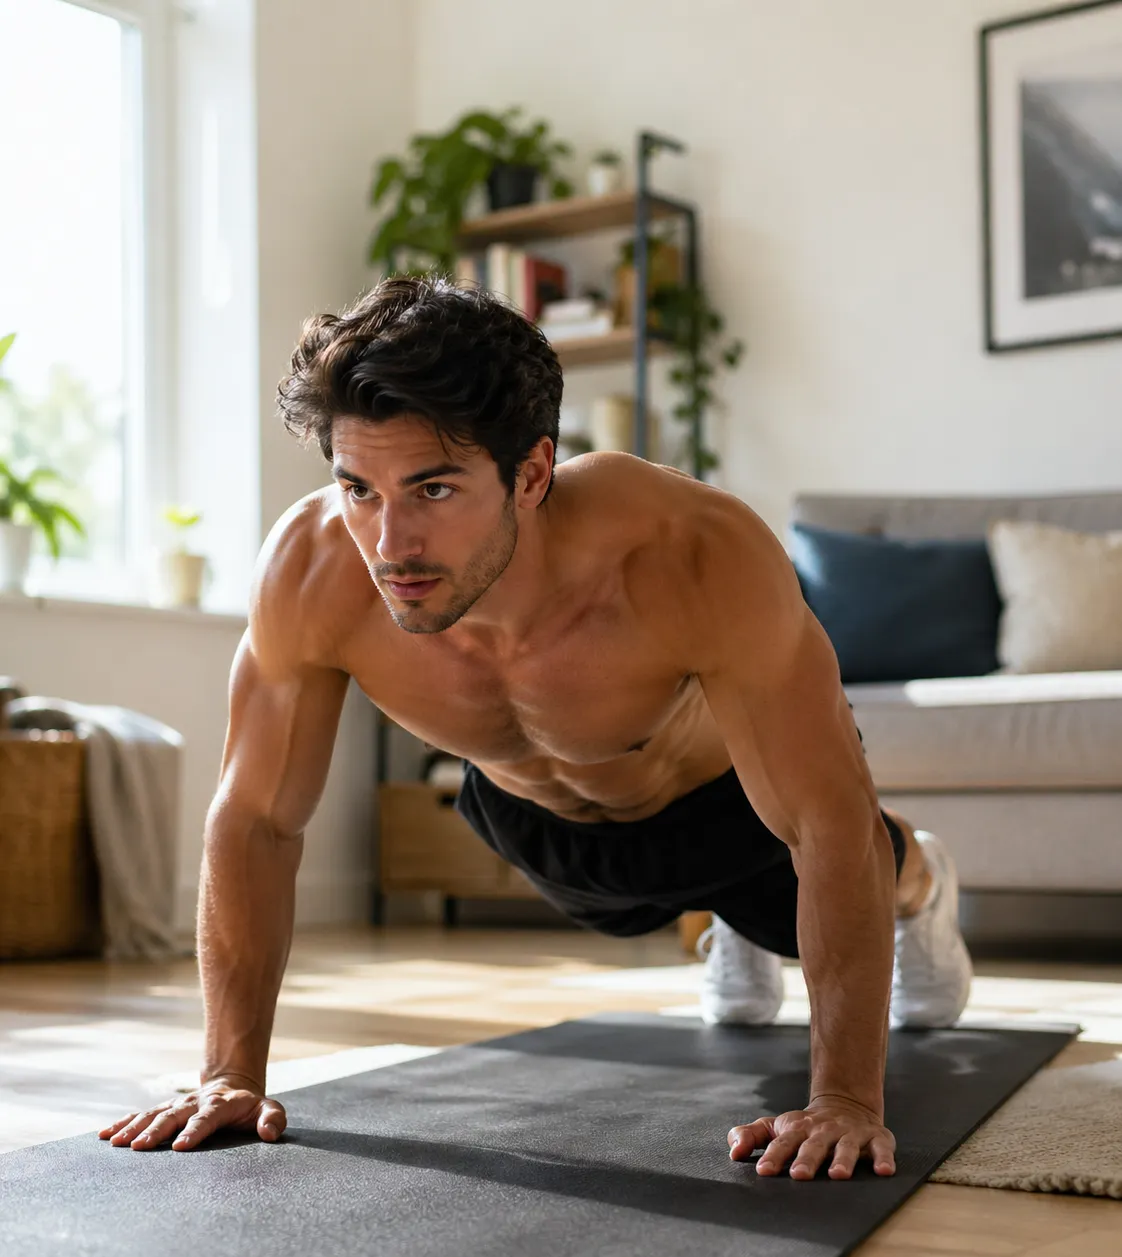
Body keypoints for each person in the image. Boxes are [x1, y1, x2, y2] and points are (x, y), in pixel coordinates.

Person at [100, 278, 972, 1182]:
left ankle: (923, 883)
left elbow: (824, 823)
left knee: (851, 857)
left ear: (532, 472)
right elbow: (256, 817)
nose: (389, 542)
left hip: (734, 813)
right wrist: (227, 1074)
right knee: (615, 893)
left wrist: (843, 1100)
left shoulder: (692, 549)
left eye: (432, 488)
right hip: (541, 826)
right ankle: (732, 931)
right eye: (359, 487)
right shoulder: (311, 570)